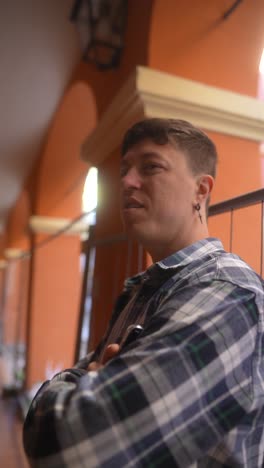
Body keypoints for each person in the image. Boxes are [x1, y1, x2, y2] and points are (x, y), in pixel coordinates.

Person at [23, 118, 264, 467]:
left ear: (201, 190)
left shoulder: (227, 294)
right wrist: (85, 385)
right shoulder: (144, 288)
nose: (127, 182)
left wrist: (69, 388)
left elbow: (71, 448)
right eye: (124, 170)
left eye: (151, 167)